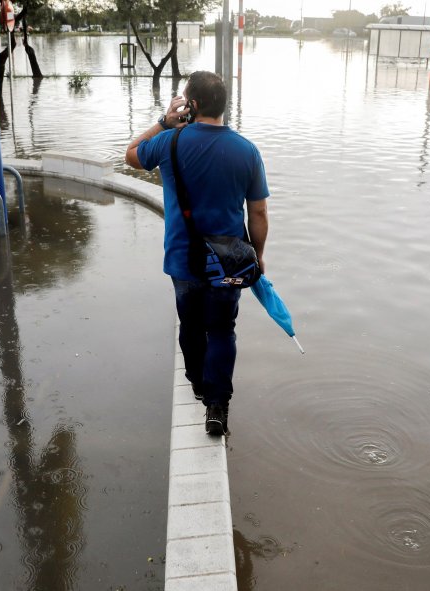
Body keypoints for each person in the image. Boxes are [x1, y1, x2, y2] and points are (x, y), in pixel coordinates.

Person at [125, 71, 270, 436]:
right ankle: (217, 405)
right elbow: (259, 213)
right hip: (230, 261)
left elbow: (129, 155)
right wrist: (259, 254)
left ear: (192, 104)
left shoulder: (169, 143)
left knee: (191, 325)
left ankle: (199, 384)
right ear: (223, 105)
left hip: (183, 259)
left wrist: (163, 121)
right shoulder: (247, 150)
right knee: (222, 329)